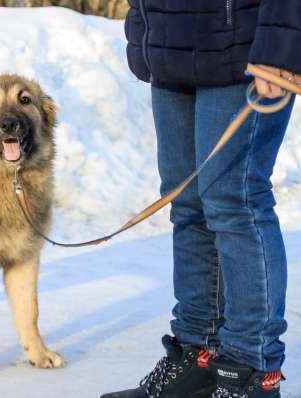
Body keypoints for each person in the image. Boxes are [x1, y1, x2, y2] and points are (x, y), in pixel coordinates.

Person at [101, 1, 301, 397]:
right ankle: (199, 354)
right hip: (170, 48)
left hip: (243, 46)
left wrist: (282, 43)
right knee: (188, 207)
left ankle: (250, 370)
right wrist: (143, 27)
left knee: (235, 204)